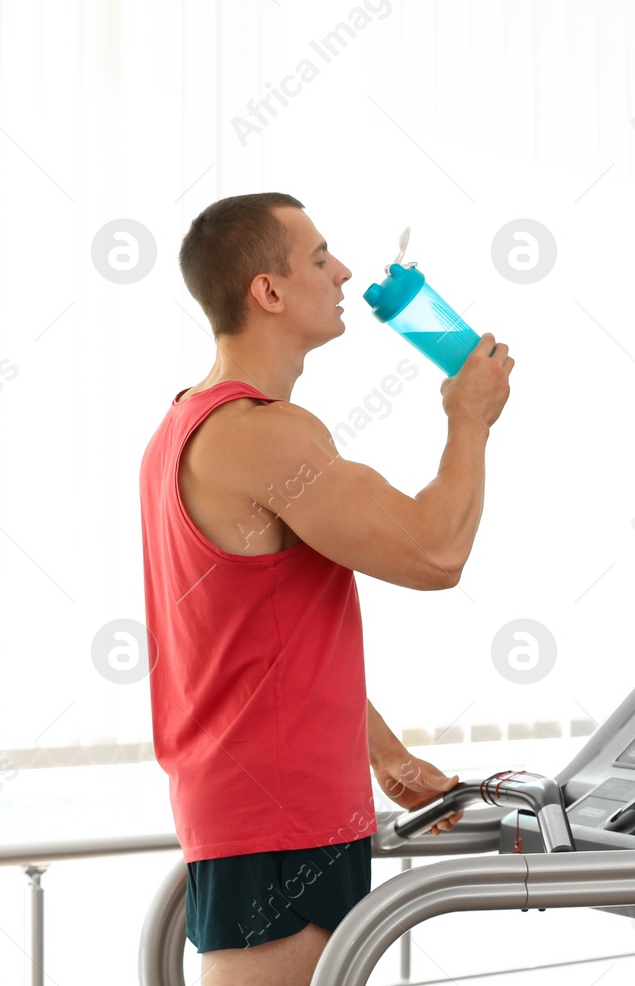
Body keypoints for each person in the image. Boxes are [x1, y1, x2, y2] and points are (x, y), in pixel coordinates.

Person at [138, 192, 513, 985]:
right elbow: (435, 551)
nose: (343, 272)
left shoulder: (187, 424)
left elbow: (262, 637)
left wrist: (384, 753)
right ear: (266, 292)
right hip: (277, 821)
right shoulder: (262, 434)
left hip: (274, 809)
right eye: (318, 258)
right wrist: (469, 419)